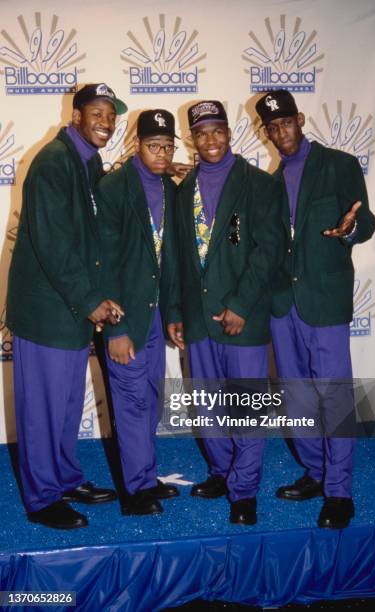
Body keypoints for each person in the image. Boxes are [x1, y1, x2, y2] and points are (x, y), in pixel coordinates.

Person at [6, 83, 127, 530]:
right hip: (47, 312)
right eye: (97, 113)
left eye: (112, 115)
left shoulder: (88, 162)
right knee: (42, 408)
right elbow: (54, 242)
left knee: (65, 404)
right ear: (75, 115)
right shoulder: (54, 162)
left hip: (69, 312)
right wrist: (91, 300)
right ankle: (42, 499)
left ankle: (65, 477)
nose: (106, 122)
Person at [255, 89, 375, 529]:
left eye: (285, 122)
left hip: (324, 301)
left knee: (334, 394)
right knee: (296, 395)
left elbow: (366, 220)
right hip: (282, 304)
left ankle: (340, 492)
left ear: (300, 119)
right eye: (271, 127)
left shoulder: (339, 164)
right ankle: (316, 472)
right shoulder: (268, 183)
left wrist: (350, 229)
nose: (279, 132)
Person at [167, 100, 282, 525]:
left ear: (230, 133)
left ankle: (244, 489)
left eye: (218, 131)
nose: (210, 140)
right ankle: (221, 471)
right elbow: (178, 257)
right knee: (208, 404)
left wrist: (240, 305)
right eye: (201, 133)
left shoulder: (258, 184)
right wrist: (176, 310)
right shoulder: (183, 191)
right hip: (198, 317)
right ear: (191, 139)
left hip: (242, 317)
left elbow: (267, 250)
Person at [95, 109, 180, 516]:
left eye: (167, 146)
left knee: (150, 399)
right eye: (153, 146)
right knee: (130, 401)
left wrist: (173, 313)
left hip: (155, 314)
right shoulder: (113, 188)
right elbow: (104, 263)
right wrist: (115, 329)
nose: (161, 153)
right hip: (124, 318)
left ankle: (145, 477)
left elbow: (173, 260)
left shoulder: (171, 189)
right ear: (136, 145)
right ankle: (134, 493)